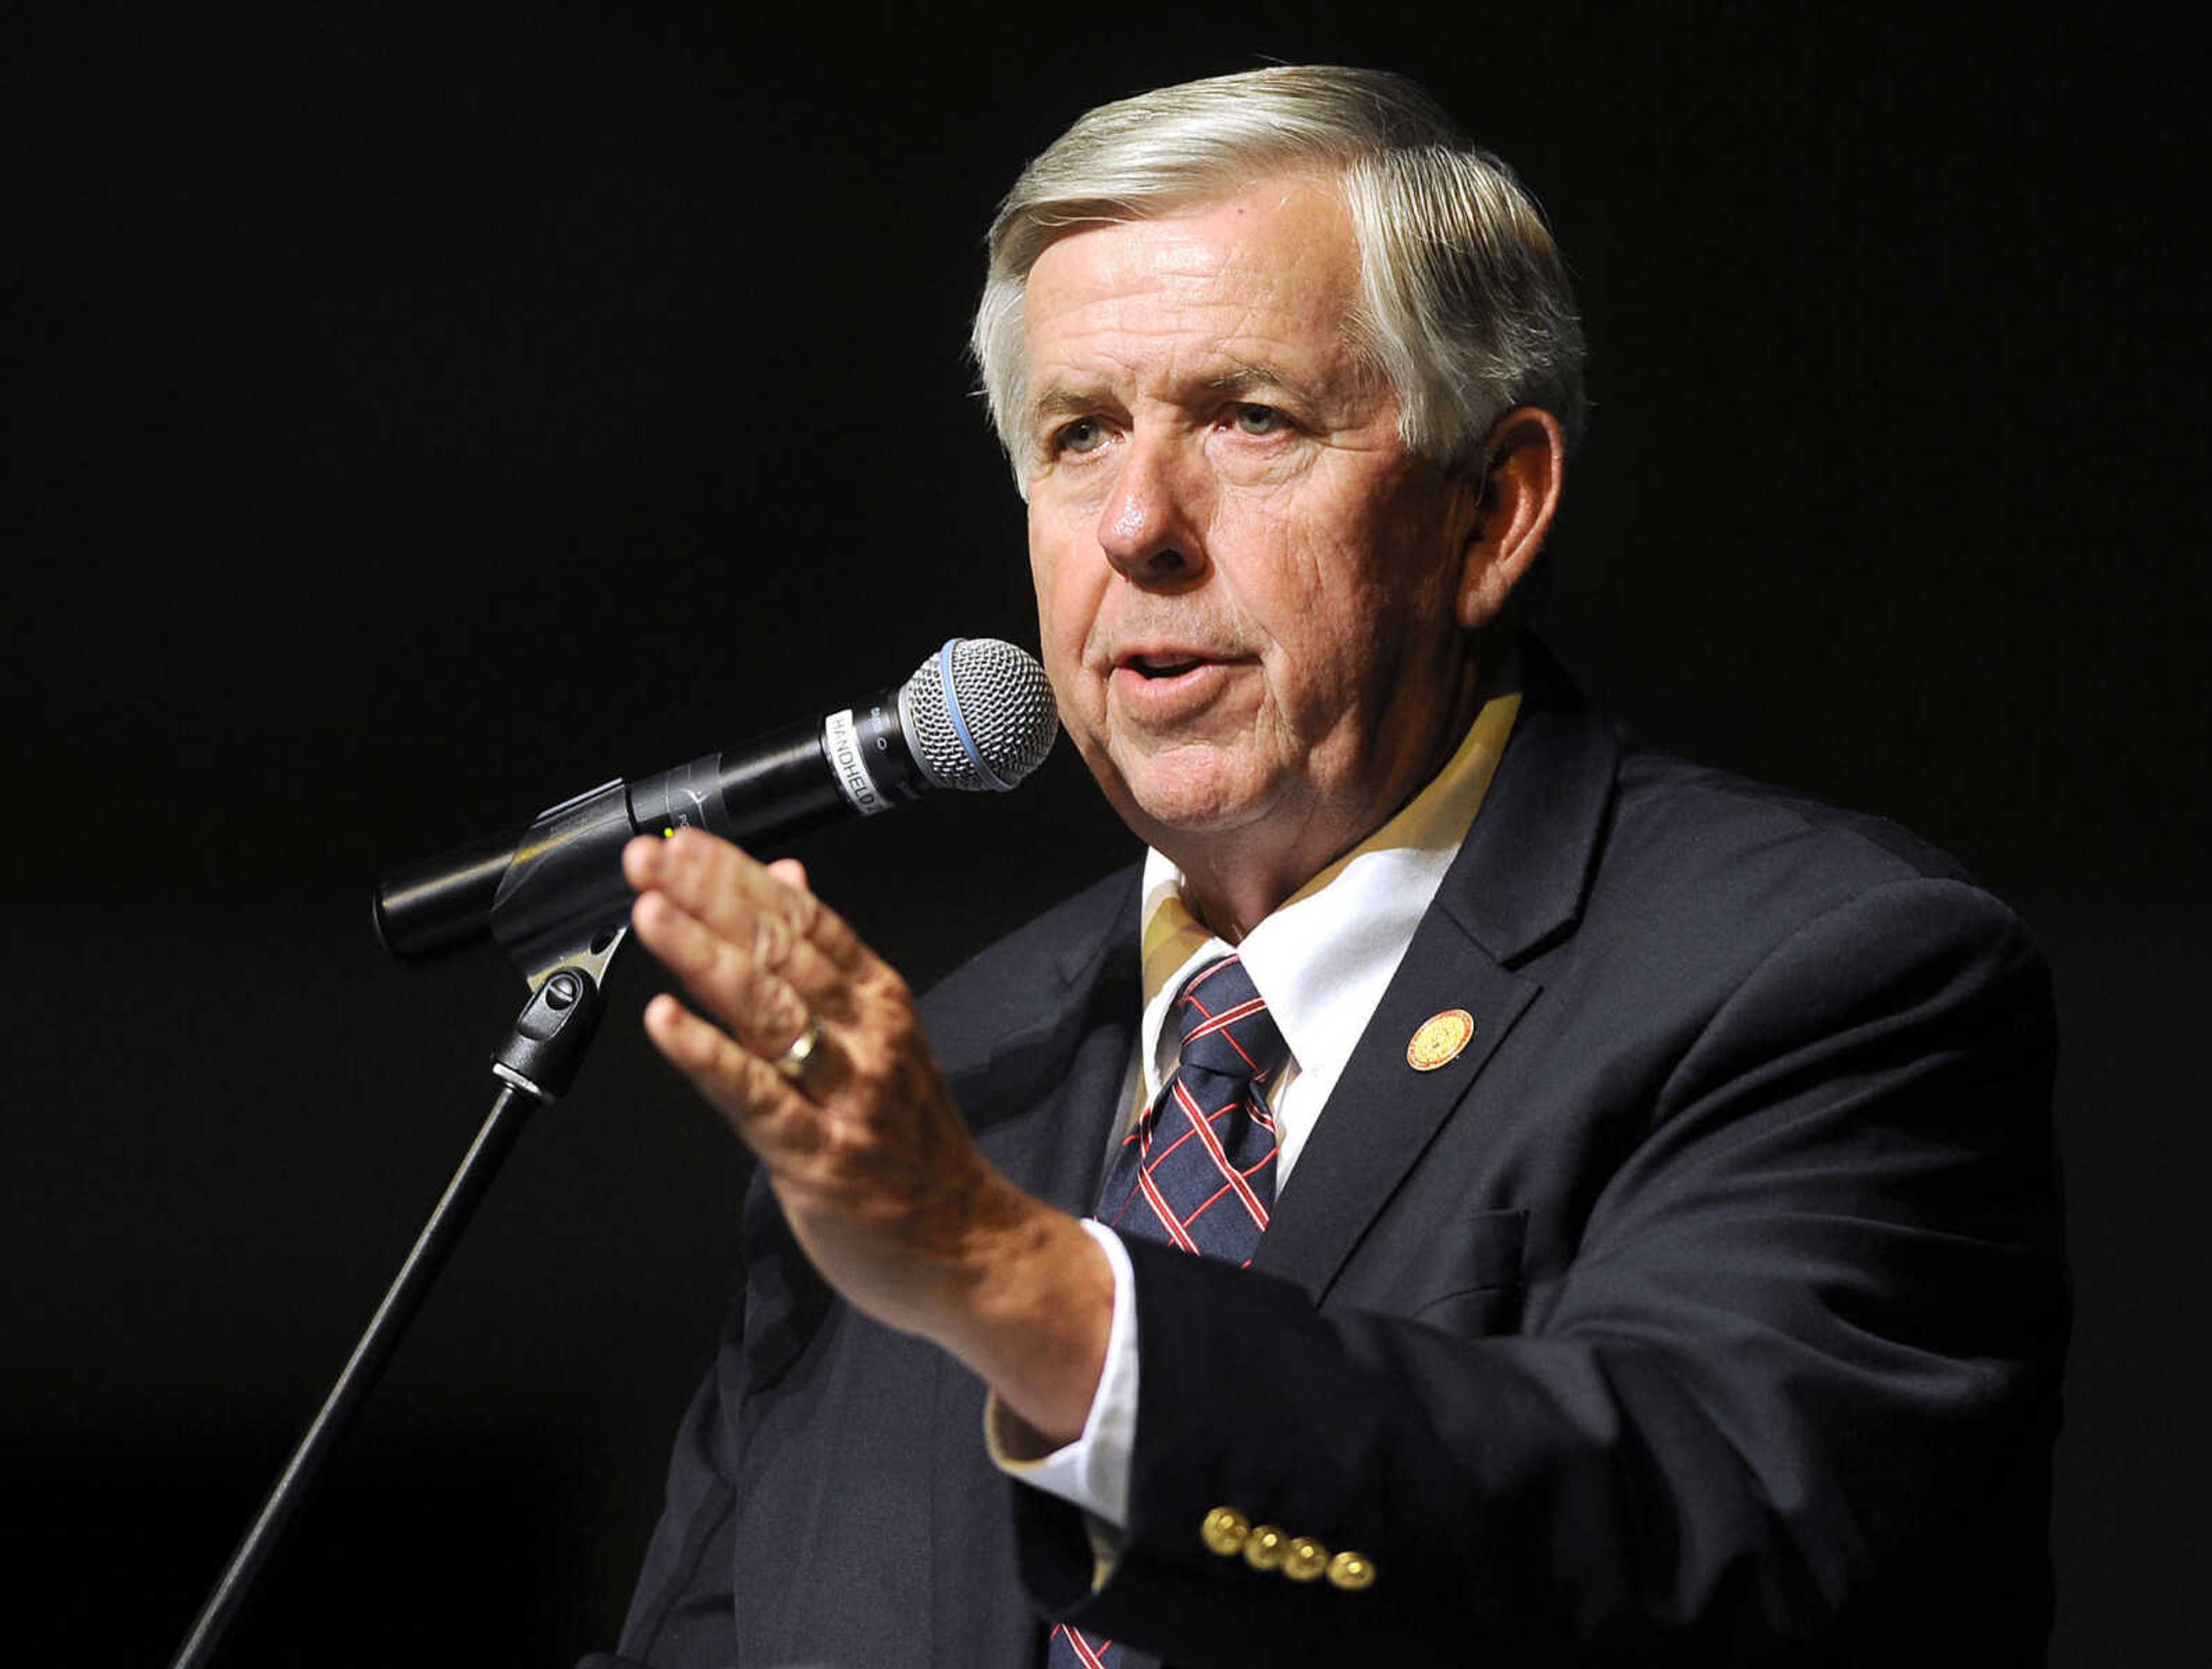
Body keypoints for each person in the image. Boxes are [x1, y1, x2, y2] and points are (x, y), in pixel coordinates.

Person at [592, 66, 2067, 1667]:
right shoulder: (941, 1079)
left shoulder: (1823, 975)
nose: (1141, 523)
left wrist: (1013, 1279)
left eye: (1249, 418)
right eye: (1079, 434)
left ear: (1491, 512)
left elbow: (1706, 1550)